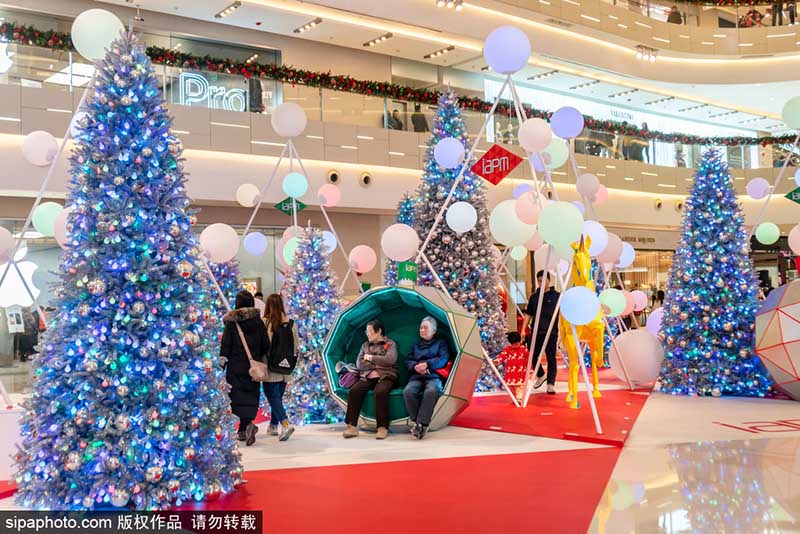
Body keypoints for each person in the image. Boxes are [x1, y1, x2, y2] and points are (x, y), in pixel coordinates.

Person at [221, 290, 270, 446]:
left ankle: (243, 428)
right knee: (251, 394)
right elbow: (265, 345)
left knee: (237, 396)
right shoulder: (258, 322)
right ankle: (246, 425)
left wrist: (222, 363)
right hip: (252, 367)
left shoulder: (232, 323)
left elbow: (226, 345)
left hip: (235, 367)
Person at [343, 320, 398, 439]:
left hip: (386, 376)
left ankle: (382, 427)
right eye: (366, 331)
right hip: (367, 376)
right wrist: (378, 363)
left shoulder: (390, 344)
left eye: (369, 331)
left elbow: (390, 360)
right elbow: (359, 364)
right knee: (354, 391)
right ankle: (351, 426)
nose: (367, 334)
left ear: (379, 331)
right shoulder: (365, 345)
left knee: (380, 391)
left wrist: (370, 358)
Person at [403, 317, 449, 439]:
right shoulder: (415, 344)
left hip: (433, 375)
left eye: (425, 328)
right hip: (416, 375)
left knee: (432, 391)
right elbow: (408, 360)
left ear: (433, 331)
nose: (422, 330)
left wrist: (427, 364)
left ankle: (421, 425)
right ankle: (418, 423)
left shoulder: (441, 343)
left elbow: (443, 360)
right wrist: (415, 366)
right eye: (421, 328)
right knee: (408, 391)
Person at [262, 293, 299, 441]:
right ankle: (273, 425)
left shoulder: (266, 322)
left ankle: (285, 424)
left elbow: (263, 345)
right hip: (286, 367)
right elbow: (296, 346)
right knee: (277, 398)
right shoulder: (291, 323)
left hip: (270, 366)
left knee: (272, 396)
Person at [524, 271, 560, 394]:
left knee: (551, 358)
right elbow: (528, 314)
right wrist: (523, 329)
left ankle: (551, 384)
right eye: (539, 281)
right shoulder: (534, 297)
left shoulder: (557, 296)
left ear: (549, 280)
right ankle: (540, 374)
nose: (542, 283)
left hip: (551, 332)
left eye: (544, 280)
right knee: (532, 355)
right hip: (536, 331)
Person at [493, 332, 531, 403]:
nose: (515, 346)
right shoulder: (508, 349)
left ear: (520, 341)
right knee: (511, 388)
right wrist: (498, 360)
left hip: (520, 374)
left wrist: (530, 369)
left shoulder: (524, 350)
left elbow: (528, 359)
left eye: (516, 344)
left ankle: (519, 399)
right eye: (513, 344)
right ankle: (515, 398)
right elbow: (502, 355)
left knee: (519, 388)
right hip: (510, 374)